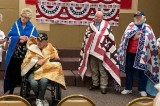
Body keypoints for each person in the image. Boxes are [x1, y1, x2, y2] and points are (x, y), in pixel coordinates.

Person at [117, 11, 159, 97]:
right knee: (129, 72)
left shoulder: (148, 28)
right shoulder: (130, 26)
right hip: (130, 53)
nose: (138, 18)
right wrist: (133, 36)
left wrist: (141, 37)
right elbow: (124, 38)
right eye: (136, 17)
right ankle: (128, 88)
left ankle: (142, 89)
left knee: (142, 72)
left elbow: (152, 40)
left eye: (140, 17)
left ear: (144, 18)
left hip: (143, 55)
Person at [78, 11, 121, 94]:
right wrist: (93, 36)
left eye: (98, 17)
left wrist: (97, 36)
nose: (96, 18)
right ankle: (95, 83)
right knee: (94, 68)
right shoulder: (91, 26)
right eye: (96, 16)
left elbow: (109, 37)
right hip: (92, 51)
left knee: (103, 69)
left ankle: (103, 86)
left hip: (103, 52)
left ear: (102, 18)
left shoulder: (106, 26)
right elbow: (87, 36)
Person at [21, 33, 66, 106]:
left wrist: (53, 59)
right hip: (33, 71)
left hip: (46, 72)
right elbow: (25, 62)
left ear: (46, 42)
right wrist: (36, 62)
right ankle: (41, 98)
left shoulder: (51, 48)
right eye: (38, 40)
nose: (39, 42)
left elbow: (55, 59)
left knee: (44, 81)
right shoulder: (32, 48)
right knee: (33, 83)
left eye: (41, 41)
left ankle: (39, 99)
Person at [4, 8, 38, 94]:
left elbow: (35, 40)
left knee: (23, 73)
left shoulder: (32, 28)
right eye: (22, 16)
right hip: (14, 54)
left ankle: (23, 93)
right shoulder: (15, 25)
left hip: (25, 55)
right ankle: (11, 91)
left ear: (29, 19)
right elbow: (8, 37)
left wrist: (26, 39)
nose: (23, 18)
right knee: (12, 73)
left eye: (25, 17)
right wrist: (18, 38)